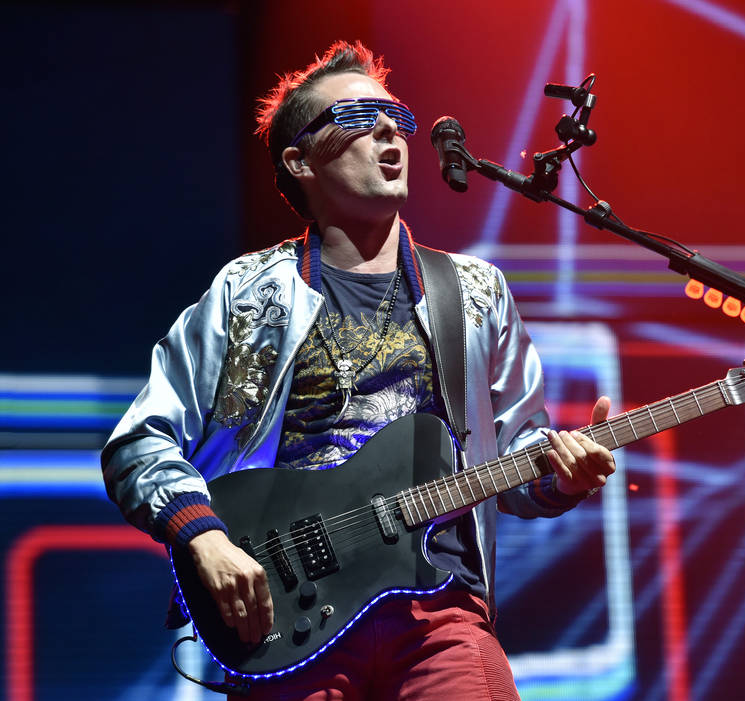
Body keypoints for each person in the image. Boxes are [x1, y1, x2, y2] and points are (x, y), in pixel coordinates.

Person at [101, 39, 616, 700]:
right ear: (299, 161)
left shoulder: (475, 292)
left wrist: (561, 476)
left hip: (438, 613)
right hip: (291, 623)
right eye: (354, 120)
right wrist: (203, 536)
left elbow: (512, 461)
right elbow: (141, 442)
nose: (387, 132)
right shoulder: (251, 296)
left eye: (396, 119)